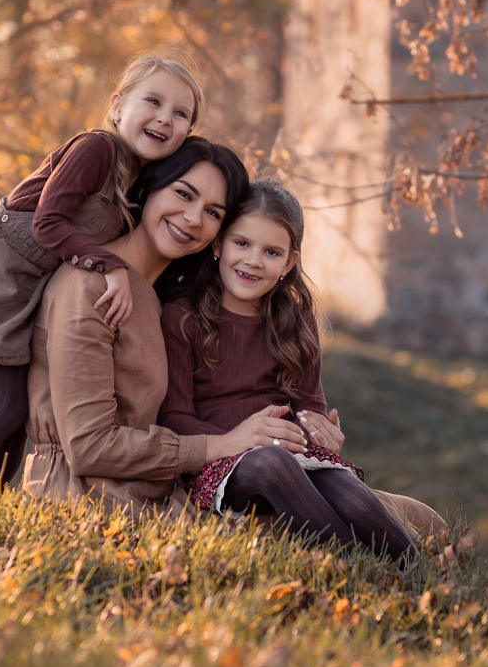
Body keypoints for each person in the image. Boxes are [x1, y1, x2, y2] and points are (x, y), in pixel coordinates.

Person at [0, 48, 204, 490]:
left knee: (15, 414)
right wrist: (111, 266)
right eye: (154, 102)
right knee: (2, 408)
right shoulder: (96, 148)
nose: (165, 118)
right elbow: (48, 222)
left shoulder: (134, 177)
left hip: (23, 287)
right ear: (117, 106)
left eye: (181, 114)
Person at [23, 136, 314, 506]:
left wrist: (313, 430)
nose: (193, 218)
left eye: (213, 212)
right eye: (183, 194)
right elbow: (88, 447)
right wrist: (226, 444)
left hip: (159, 491)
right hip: (88, 499)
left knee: (393, 508)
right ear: (149, 188)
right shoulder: (90, 286)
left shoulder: (161, 295)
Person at [158, 180, 418, 560]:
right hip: (220, 464)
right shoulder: (183, 317)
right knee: (272, 461)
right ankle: (353, 567)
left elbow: (308, 403)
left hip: (291, 452)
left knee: (352, 496)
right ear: (218, 244)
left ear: (289, 262)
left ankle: (416, 570)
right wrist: (240, 438)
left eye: (271, 251)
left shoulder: (295, 319)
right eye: (241, 243)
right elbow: (174, 418)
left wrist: (319, 429)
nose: (252, 261)